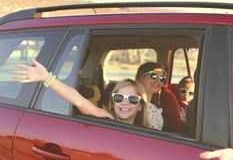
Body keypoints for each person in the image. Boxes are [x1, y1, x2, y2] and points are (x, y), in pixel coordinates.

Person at [12, 58, 146, 126]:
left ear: (140, 105)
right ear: (113, 102)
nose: (124, 103)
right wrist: (47, 78)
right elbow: (79, 101)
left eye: (132, 99)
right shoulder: (109, 118)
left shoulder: (146, 126)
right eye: (119, 98)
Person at [135, 62, 165, 130]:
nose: (158, 81)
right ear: (141, 77)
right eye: (153, 76)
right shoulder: (133, 103)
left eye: (162, 78)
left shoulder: (155, 106)